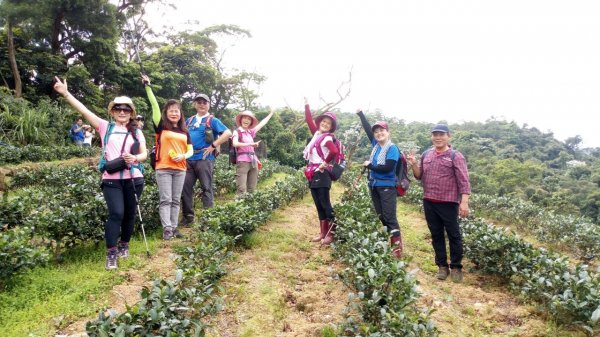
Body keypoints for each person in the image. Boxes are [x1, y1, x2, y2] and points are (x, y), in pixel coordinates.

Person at [53, 76, 147, 270]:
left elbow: (144, 153)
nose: (122, 112)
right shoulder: (105, 127)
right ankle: (111, 253)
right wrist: (66, 93)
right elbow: (84, 110)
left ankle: (124, 245)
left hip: (134, 178)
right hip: (111, 179)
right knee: (116, 213)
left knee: (130, 214)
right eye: (118, 109)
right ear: (112, 112)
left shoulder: (137, 132)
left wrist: (135, 158)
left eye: (126, 109)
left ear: (131, 113)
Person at [407, 123, 471, 282]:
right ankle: (442, 266)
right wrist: (414, 164)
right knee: (436, 235)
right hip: (429, 200)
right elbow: (419, 176)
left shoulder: (455, 156)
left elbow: (464, 180)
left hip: (448, 202)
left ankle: (456, 267)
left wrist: (464, 202)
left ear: (448, 136)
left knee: (454, 234)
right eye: (435, 134)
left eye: (441, 134)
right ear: (432, 137)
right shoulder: (427, 154)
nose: (438, 137)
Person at [142, 75, 193, 240]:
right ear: (166, 113)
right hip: (163, 168)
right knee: (166, 199)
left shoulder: (185, 131)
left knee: (176, 200)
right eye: (171, 110)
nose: (174, 113)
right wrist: (148, 87)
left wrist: (183, 155)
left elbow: (191, 151)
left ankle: (174, 227)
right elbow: (154, 106)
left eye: (176, 111)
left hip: (180, 169)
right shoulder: (161, 127)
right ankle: (167, 229)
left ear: (180, 114)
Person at [356, 110, 403, 258]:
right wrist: (361, 114)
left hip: (387, 186)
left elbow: (387, 167)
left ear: (387, 132)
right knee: (381, 216)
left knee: (390, 217)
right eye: (376, 131)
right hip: (374, 185)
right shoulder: (376, 146)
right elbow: (367, 129)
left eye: (382, 130)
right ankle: (387, 244)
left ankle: (397, 250)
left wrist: (370, 166)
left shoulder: (392, 148)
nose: (378, 133)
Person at [181, 93, 231, 226]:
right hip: (189, 159)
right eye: (199, 102)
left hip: (204, 159)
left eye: (204, 102)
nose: (201, 104)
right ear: (195, 104)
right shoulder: (189, 121)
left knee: (206, 187)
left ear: (208, 104)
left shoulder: (212, 120)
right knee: (185, 188)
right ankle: (188, 217)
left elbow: (228, 133)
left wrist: (213, 145)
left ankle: (208, 218)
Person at [303, 97, 339, 245]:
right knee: (318, 204)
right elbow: (309, 120)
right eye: (323, 122)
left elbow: (334, 151)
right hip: (312, 172)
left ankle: (331, 233)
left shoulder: (327, 138)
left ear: (331, 127)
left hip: (321, 173)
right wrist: (306, 105)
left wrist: (324, 163)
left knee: (325, 203)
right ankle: (322, 233)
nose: (324, 124)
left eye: (328, 123)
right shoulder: (317, 135)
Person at [232, 109, 274, 195]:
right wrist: (250, 144)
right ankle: (239, 207)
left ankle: (250, 207)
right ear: (241, 120)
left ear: (251, 122)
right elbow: (235, 143)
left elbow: (262, 123)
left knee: (252, 188)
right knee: (241, 189)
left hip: (253, 162)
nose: (246, 120)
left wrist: (271, 113)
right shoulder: (237, 132)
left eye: (249, 119)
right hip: (243, 162)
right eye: (244, 118)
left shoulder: (250, 132)